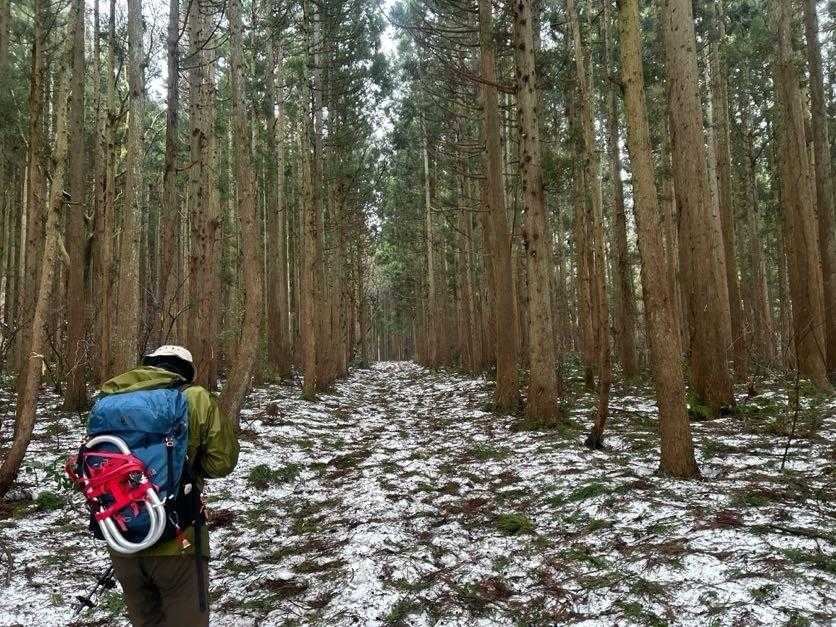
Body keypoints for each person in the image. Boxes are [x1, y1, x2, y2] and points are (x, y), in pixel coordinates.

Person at [101, 345, 239, 626]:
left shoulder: (110, 400)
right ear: (187, 372)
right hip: (178, 539)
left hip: (122, 539)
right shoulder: (194, 398)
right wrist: (187, 470)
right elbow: (222, 462)